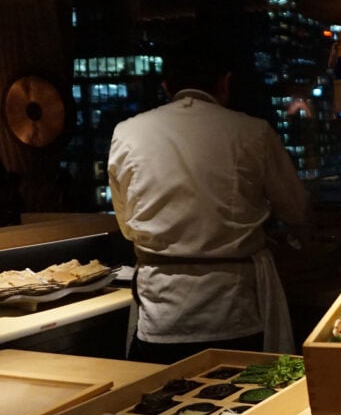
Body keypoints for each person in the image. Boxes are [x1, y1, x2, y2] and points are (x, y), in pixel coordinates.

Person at [108, 35, 310, 364]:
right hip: (232, 310)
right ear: (225, 82)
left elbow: (127, 225)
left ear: (166, 86)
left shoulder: (127, 132)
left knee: (163, 410)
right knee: (242, 406)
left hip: (161, 313)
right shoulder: (252, 131)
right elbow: (298, 211)